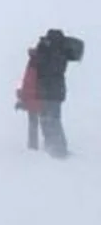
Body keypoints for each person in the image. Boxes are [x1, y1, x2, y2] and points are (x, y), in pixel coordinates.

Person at [34, 29, 75, 158]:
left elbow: (45, 68)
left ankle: (58, 149)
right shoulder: (60, 53)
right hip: (54, 92)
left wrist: (41, 51)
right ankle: (54, 146)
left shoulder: (55, 53)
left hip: (49, 92)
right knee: (50, 120)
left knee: (50, 120)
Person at [14, 47, 42, 150]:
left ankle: (33, 146)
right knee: (40, 122)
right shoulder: (37, 63)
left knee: (34, 123)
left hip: (34, 99)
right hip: (37, 98)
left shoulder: (34, 64)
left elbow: (29, 83)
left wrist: (22, 96)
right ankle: (39, 145)